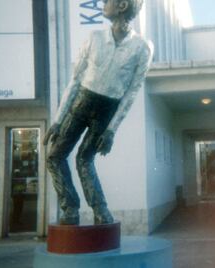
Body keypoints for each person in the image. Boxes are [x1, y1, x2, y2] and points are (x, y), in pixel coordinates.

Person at [43, 0, 153, 225]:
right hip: (81, 103)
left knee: (85, 158)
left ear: (122, 5)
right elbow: (74, 81)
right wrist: (57, 120)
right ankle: (70, 209)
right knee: (54, 156)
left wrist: (111, 130)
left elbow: (131, 93)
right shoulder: (94, 38)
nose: (103, 3)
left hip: (106, 111)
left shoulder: (142, 47)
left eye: (108, 1)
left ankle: (100, 211)